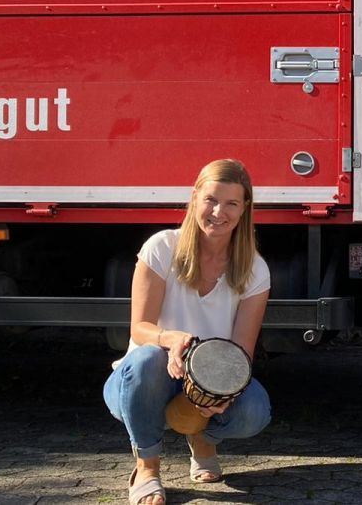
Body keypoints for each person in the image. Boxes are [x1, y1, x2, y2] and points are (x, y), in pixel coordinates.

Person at [103, 159, 272, 505]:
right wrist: (171, 339)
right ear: (194, 197)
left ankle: (201, 437)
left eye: (231, 203)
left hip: (209, 377)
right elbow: (139, 328)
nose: (218, 212)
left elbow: (242, 354)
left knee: (255, 410)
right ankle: (147, 468)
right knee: (148, 358)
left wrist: (223, 393)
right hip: (145, 376)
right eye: (210, 199)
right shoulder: (162, 247)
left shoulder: (255, 269)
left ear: (244, 209)